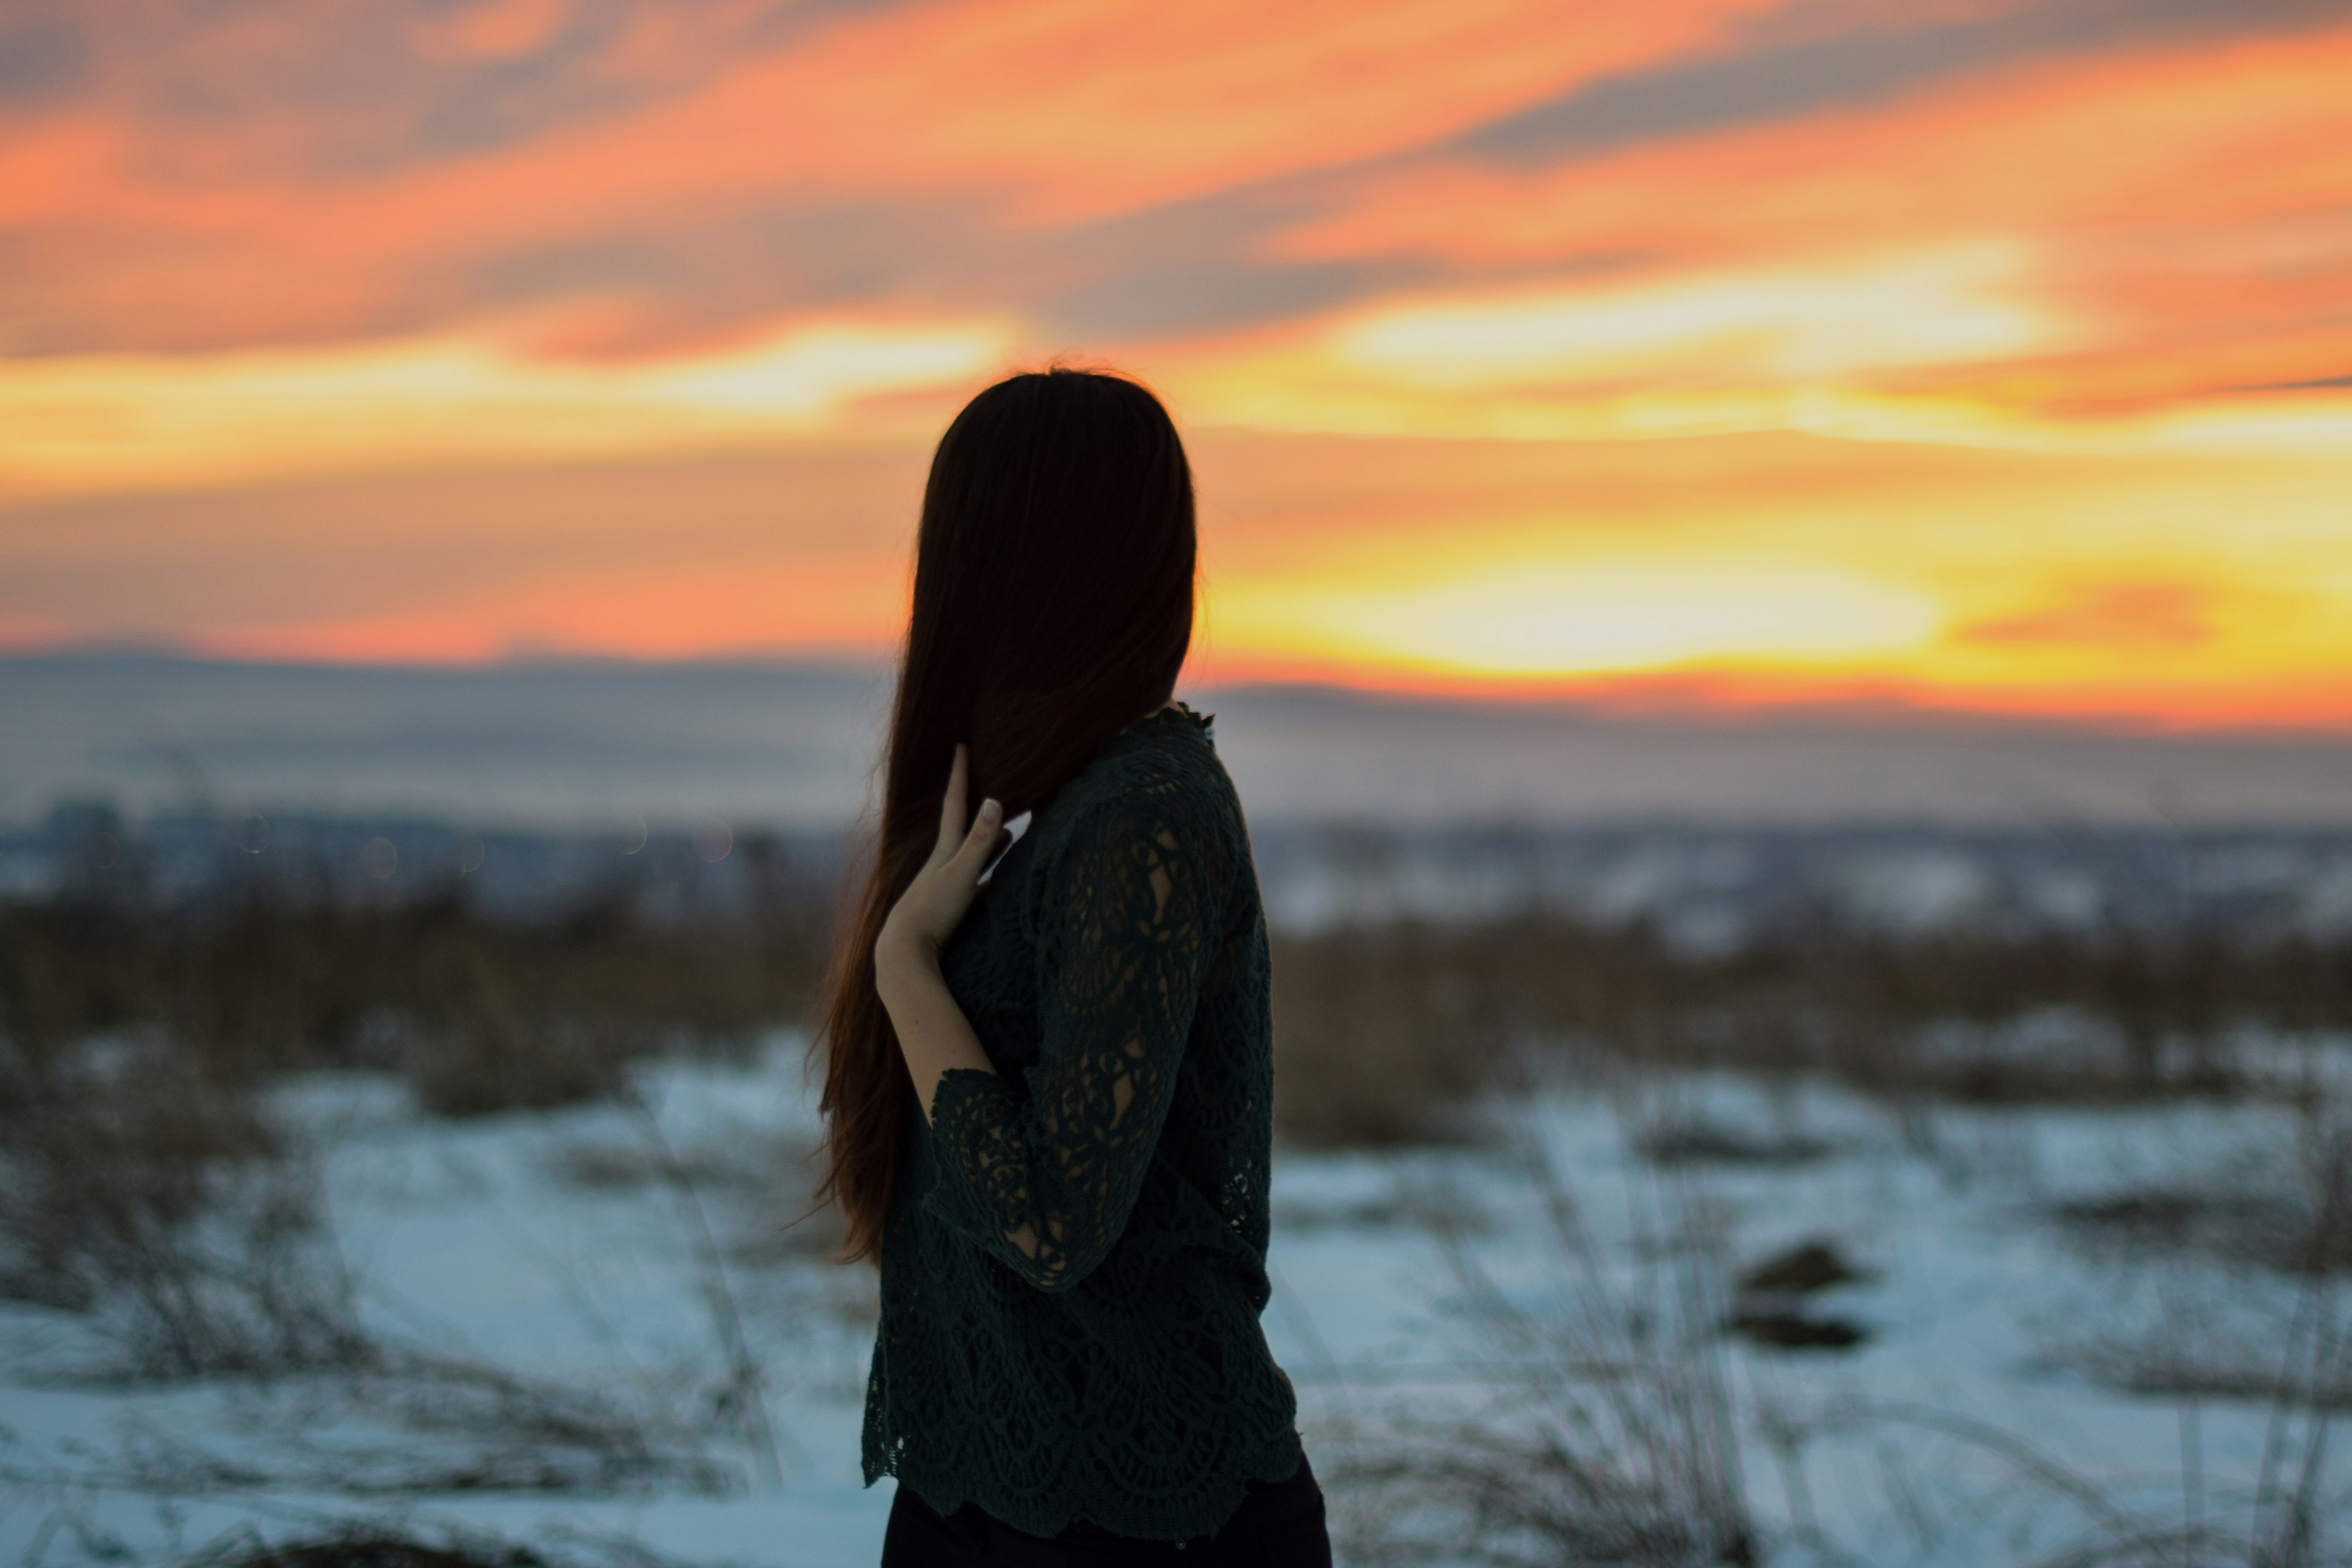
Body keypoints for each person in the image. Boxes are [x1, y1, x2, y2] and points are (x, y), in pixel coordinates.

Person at [816, 367, 1328, 1566]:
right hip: (977, 1483)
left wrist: (907, 970)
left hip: (1149, 1510)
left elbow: (1050, 1225)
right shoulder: (1036, 812)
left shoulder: (1142, 816)